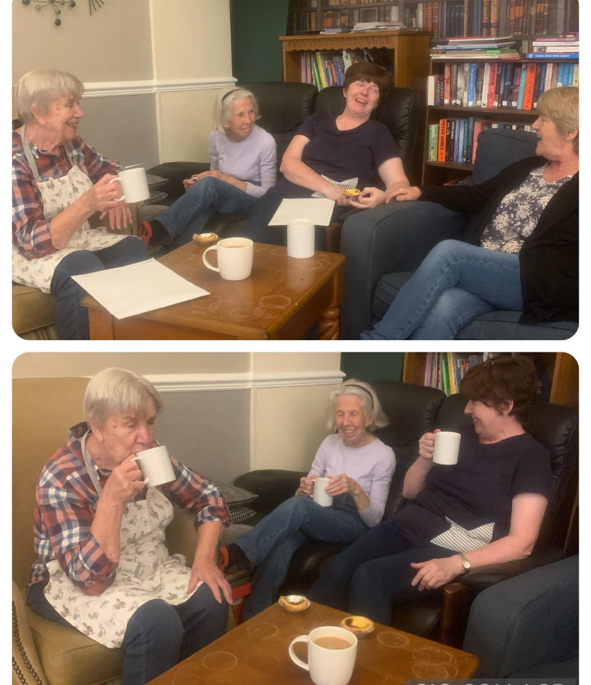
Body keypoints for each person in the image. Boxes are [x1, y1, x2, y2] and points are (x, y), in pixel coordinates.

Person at [308, 355, 552, 625]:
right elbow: (411, 492)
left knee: (370, 577)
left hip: (452, 545)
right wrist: (424, 458)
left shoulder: (531, 457)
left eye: (477, 402)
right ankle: (295, 634)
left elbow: (523, 542)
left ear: (507, 406)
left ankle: (364, 664)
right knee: (339, 567)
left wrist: (457, 564)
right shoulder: (462, 435)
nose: (468, 409)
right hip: (405, 525)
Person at [26, 368, 232, 685]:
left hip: (147, 566)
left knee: (212, 598)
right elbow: (88, 581)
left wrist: (204, 559)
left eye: (149, 422)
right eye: (131, 424)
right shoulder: (62, 476)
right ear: (98, 426)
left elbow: (208, 496)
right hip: (70, 578)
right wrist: (111, 500)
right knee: (157, 621)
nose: (146, 437)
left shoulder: (150, 455)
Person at [361, 86, 578, 340]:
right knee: (445, 306)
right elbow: (477, 196)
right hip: (487, 269)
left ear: (570, 132)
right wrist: (421, 191)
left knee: (451, 253)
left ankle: (378, 341)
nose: (535, 125)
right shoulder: (530, 167)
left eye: (544, 119)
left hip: (534, 280)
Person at [220, 380, 395, 620]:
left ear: (368, 417)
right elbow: (304, 495)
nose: (345, 422)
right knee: (281, 544)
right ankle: (254, 618)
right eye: (340, 414)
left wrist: (355, 489)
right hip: (319, 513)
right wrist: (304, 489)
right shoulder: (329, 443)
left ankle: (239, 553)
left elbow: (374, 520)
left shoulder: (383, 455)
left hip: (355, 523)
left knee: (301, 508)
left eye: (353, 414)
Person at [12, 69, 151, 340]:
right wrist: (88, 203)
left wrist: (117, 188)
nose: (80, 112)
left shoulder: (71, 144)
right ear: (39, 113)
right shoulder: (14, 160)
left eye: (78, 103)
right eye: (69, 105)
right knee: (81, 267)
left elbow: (114, 169)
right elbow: (30, 242)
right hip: (24, 254)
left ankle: (133, 336)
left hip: (77, 241)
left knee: (132, 248)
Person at [242, 62, 410, 247]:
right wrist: (328, 188)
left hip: (332, 206)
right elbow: (288, 163)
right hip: (286, 194)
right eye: (360, 84)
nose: (365, 92)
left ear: (377, 102)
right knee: (252, 249)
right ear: (345, 91)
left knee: (302, 258)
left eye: (374, 89)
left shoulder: (379, 133)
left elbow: (399, 183)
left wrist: (383, 197)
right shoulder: (316, 121)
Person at [138, 88, 277, 248]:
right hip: (224, 192)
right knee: (195, 216)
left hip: (253, 198)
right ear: (225, 122)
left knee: (210, 185)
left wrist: (230, 181)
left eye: (251, 112)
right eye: (240, 115)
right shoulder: (216, 137)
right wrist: (197, 182)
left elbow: (269, 194)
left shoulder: (265, 141)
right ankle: (172, 256)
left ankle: (159, 228)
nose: (248, 120)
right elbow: (214, 173)